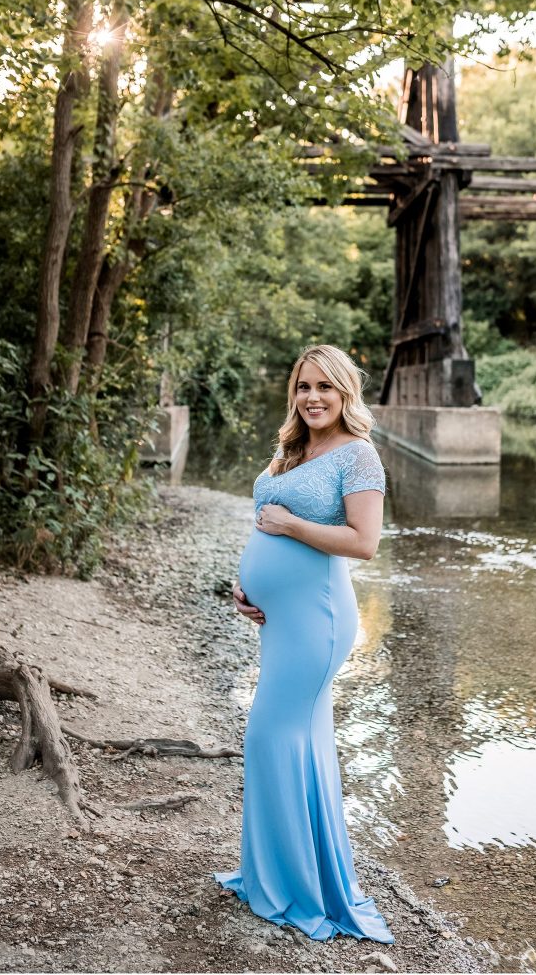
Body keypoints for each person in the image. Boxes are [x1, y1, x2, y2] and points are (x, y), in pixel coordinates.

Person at [214, 344, 394, 945]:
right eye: (303, 386)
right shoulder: (291, 451)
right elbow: (261, 521)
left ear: (346, 393)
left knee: (268, 734)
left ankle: (291, 886)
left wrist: (291, 528)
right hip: (280, 618)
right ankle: (290, 875)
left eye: (325, 387)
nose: (313, 397)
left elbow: (364, 542)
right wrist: (245, 586)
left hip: (318, 621)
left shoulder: (359, 456)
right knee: (304, 741)